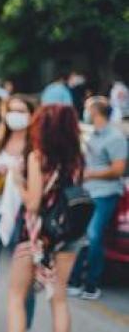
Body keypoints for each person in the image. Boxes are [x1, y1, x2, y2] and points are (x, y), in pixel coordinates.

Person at [7, 105, 85, 332]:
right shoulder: (77, 159)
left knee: (16, 296)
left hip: (37, 233)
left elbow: (33, 204)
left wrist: (17, 183)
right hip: (68, 232)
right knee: (58, 298)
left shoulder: (38, 157)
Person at [0, 95, 36, 332]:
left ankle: (24, 326)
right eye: (11, 110)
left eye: (21, 111)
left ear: (31, 115)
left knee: (24, 279)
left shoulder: (35, 146)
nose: (15, 115)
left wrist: (20, 175)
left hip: (22, 215)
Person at [67, 97, 127, 300]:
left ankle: (92, 284)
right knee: (80, 236)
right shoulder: (92, 136)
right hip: (88, 192)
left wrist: (92, 174)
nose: (85, 112)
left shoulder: (115, 138)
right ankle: (74, 281)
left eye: (86, 109)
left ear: (95, 112)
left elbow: (118, 169)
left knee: (93, 235)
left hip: (106, 193)